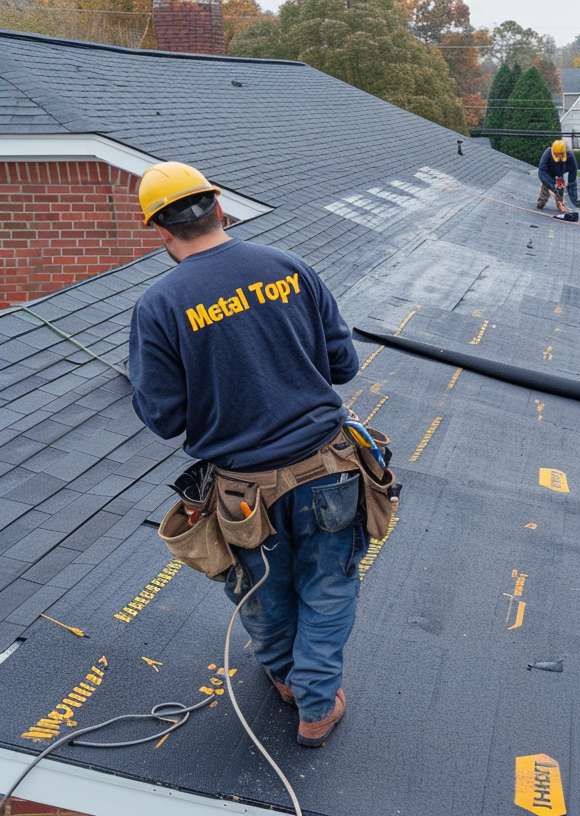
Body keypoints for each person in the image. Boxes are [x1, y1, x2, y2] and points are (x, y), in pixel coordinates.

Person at [128, 161, 364, 747]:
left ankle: (287, 679)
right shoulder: (288, 268)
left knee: (261, 587)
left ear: (160, 229)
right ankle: (316, 704)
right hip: (326, 471)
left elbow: (163, 418)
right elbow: (343, 365)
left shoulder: (159, 306)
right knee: (328, 583)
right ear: (219, 208)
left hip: (240, 491)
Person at [536, 139, 580, 210]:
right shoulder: (547, 153)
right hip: (548, 172)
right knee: (546, 188)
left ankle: (560, 204)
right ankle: (541, 202)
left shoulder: (570, 156)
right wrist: (552, 185)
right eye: (557, 155)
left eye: (561, 155)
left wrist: (573, 199)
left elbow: (572, 179)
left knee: (560, 188)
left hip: (560, 173)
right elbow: (541, 172)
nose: (559, 157)